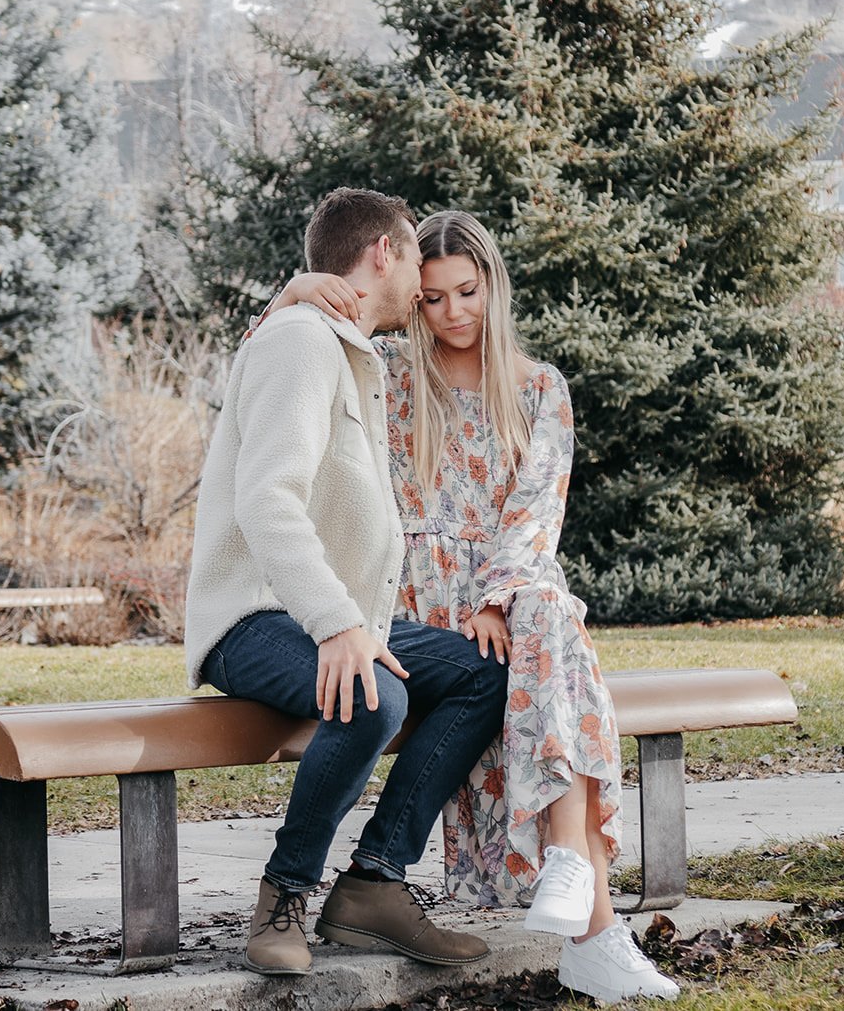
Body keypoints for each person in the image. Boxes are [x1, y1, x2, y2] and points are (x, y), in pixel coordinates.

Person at [266, 209, 680, 1003]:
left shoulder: (537, 388)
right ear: (411, 300)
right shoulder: (384, 371)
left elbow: (536, 513)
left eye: (467, 291)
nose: (453, 313)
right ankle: (591, 919)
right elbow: (271, 359)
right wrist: (294, 289)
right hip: (415, 604)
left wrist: (499, 597)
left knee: (547, 617)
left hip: (509, 594)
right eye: (431, 298)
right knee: (557, 640)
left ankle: (573, 882)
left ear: (494, 284)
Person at [185, 188, 510, 978]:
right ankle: (284, 891)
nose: (424, 292)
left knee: (483, 672)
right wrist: (338, 626)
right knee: (377, 693)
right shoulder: (301, 341)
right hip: (256, 617)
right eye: (416, 267)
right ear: (382, 254)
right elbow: (267, 499)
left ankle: (373, 884)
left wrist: (346, 622)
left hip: (335, 615)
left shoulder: (336, 343)